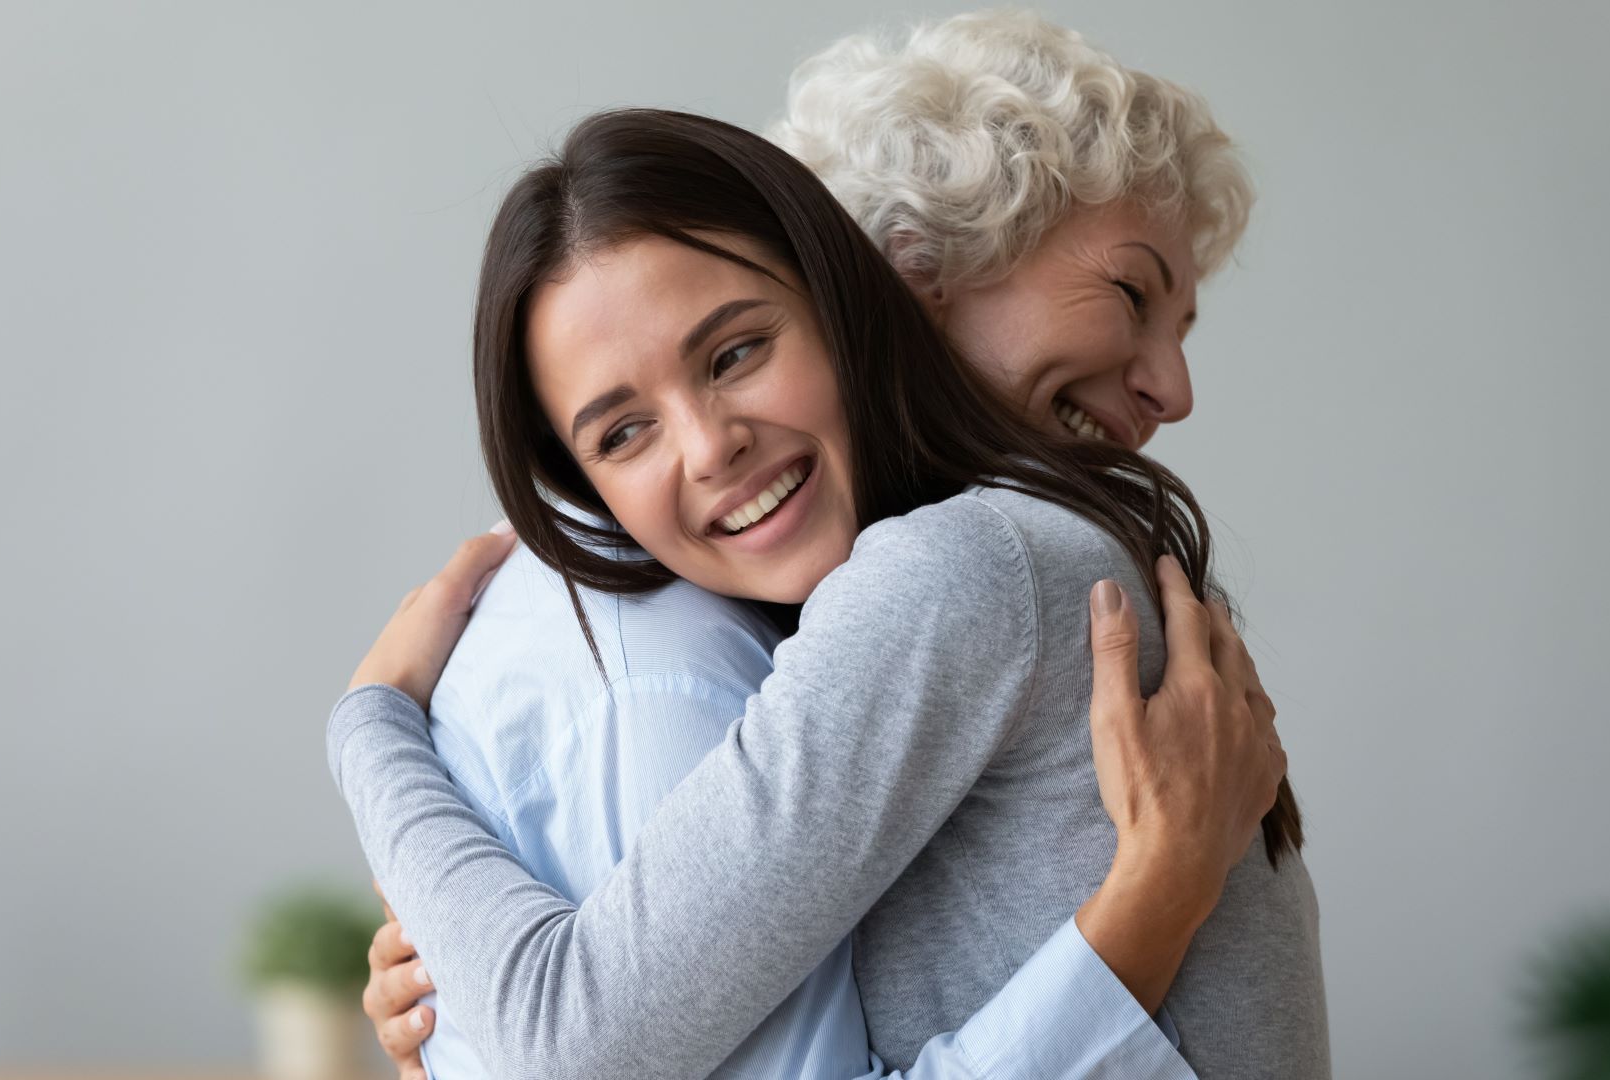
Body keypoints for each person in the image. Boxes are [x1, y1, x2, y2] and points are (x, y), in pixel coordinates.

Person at [332, 94, 1326, 1080]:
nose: (711, 446)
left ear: (839, 299)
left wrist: (371, 728)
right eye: (622, 432)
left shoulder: (962, 570)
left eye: (736, 353)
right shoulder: (1005, 557)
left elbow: (569, 1042)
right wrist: (447, 976)